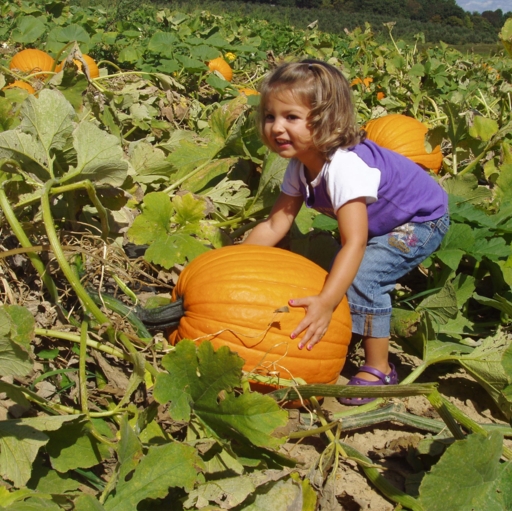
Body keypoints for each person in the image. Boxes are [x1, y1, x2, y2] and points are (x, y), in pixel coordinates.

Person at [242, 59, 449, 404]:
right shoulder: (299, 165)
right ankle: (360, 323)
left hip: (420, 220)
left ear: (325, 120)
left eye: (291, 117)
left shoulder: (344, 169)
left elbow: (356, 242)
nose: (277, 127)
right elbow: (275, 224)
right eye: (269, 116)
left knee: (365, 274)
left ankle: (380, 369)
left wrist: (326, 302)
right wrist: (233, 261)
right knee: (344, 271)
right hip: (380, 221)